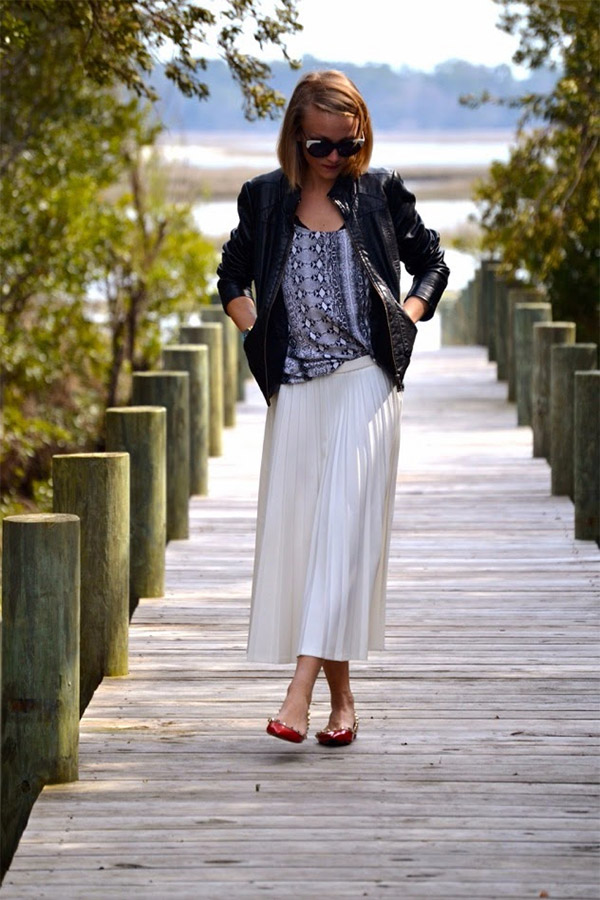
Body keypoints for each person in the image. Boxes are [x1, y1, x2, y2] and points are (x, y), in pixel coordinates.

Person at [217, 70, 449, 747]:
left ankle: (298, 691)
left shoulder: (379, 191)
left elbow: (432, 263)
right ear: (296, 137)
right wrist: (256, 328)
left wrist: (405, 318)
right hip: (296, 388)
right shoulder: (264, 198)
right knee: (319, 541)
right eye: (321, 145)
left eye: (349, 145)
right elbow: (230, 277)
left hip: (364, 381)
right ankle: (342, 703)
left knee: (343, 525)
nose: (335, 157)